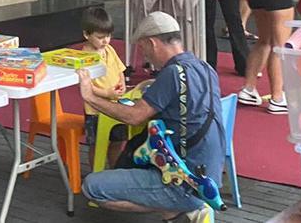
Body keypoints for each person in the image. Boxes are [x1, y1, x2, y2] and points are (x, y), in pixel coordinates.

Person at [79, 12, 224, 223]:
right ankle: (184, 206)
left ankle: (179, 211)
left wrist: (90, 97)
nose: (145, 56)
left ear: (152, 43)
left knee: (92, 187)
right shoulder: (205, 67)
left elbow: (134, 117)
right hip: (209, 175)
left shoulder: (172, 73)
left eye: (143, 48)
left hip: (184, 180)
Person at [78, 6, 128, 171]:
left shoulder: (109, 49)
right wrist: (106, 93)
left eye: (108, 36)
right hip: (95, 110)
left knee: (118, 140)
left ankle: (114, 168)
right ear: (87, 35)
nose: (105, 40)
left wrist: (122, 83)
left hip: (116, 103)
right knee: (98, 144)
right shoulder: (84, 56)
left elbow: (119, 69)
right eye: (100, 37)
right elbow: (87, 87)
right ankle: (96, 171)